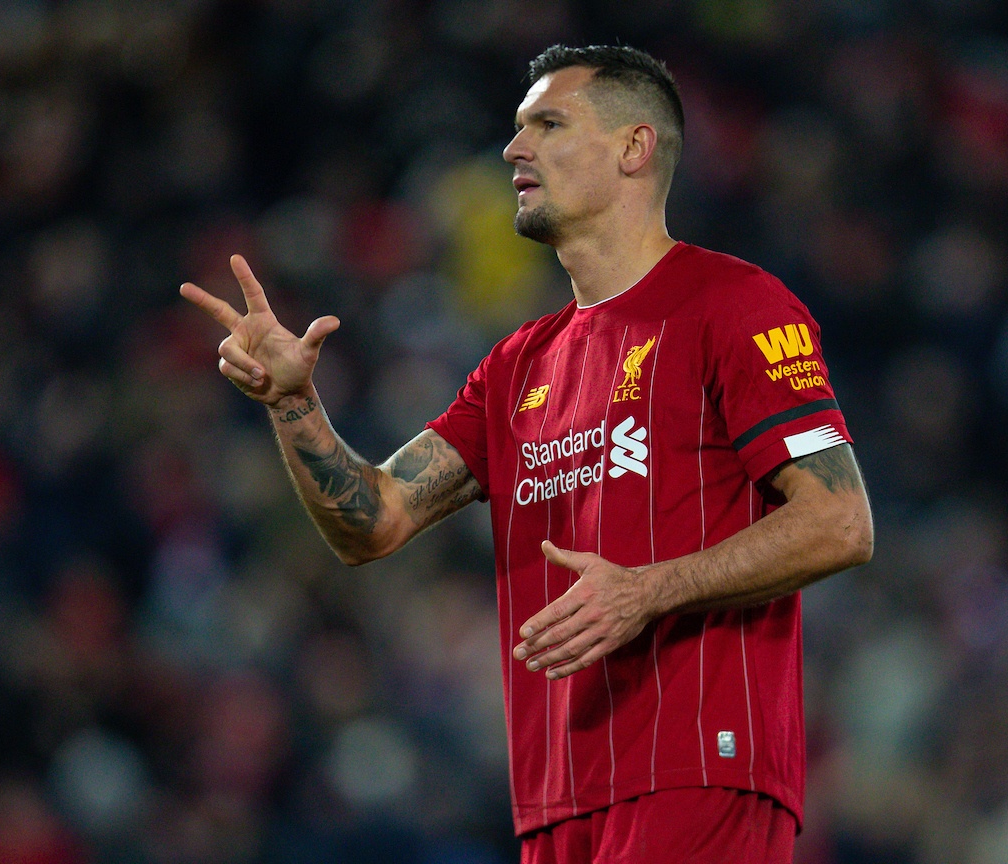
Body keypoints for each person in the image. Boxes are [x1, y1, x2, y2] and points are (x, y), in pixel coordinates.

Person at [181, 44, 872, 864]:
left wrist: (648, 590)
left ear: (633, 148)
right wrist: (293, 403)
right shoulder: (516, 368)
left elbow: (840, 521)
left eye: (548, 124)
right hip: (557, 798)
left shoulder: (734, 304)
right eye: (516, 129)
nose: (514, 149)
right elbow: (373, 521)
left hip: (696, 771)